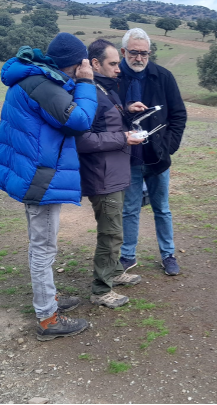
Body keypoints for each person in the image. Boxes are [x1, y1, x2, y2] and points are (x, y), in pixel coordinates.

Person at [0, 33, 98, 341]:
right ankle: (47, 318)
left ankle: (48, 299)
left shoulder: (37, 79)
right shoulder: (42, 86)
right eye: (84, 63)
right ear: (77, 63)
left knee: (43, 244)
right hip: (41, 178)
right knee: (43, 247)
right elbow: (79, 120)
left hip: (34, 173)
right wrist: (88, 84)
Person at [77, 39, 145, 308]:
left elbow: (107, 123)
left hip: (115, 172)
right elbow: (82, 140)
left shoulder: (104, 90)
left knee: (114, 230)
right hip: (102, 176)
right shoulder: (88, 94)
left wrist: (128, 111)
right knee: (111, 233)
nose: (119, 69)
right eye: (113, 63)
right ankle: (100, 289)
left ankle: (115, 273)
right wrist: (123, 139)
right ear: (95, 63)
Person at [118, 28, 188, 276]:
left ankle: (168, 254)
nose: (139, 58)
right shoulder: (113, 77)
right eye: (134, 53)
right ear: (124, 51)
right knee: (129, 209)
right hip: (127, 157)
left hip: (158, 157)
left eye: (144, 53)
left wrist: (168, 147)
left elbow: (178, 114)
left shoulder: (163, 76)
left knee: (162, 208)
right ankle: (127, 256)